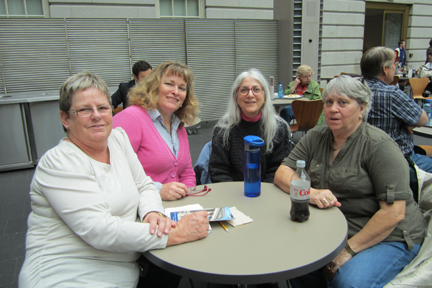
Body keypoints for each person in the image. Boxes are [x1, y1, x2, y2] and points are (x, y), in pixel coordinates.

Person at [18, 72, 209, 288]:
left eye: (102, 107)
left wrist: (152, 212)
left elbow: (144, 185)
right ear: (65, 119)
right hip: (68, 275)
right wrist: (177, 232)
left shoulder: (117, 139)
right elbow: (100, 230)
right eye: (84, 110)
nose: (96, 115)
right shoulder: (58, 162)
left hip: (124, 268)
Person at [274, 75, 425, 288]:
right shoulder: (316, 136)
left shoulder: (379, 146)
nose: (333, 109)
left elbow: (394, 213)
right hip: (337, 227)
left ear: (362, 108)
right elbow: (282, 172)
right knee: (297, 259)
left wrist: (348, 250)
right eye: (328, 102)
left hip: (389, 236)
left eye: (343, 102)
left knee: (348, 282)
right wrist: (313, 192)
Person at [113, 61, 197, 201]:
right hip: (142, 209)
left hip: (176, 209)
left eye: (182, 88)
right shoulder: (131, 118)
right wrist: (157, 190)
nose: (175, 91)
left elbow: (187, 172)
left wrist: (186, 198)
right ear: (154, 86)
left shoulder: (179, 125)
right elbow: (115, 172)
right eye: (169, 84)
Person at [209, 68, 291, 183]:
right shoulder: (223, 129)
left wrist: (260, 193)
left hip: (268, 193)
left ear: (265, 97)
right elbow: (218, 171)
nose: (250, 95)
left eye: (256, 89)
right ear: (236, 97)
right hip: (232, 194)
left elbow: (279, 169)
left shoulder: (279, 128)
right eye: (244, 90)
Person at [361, 46, 432, 173]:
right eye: (394, 64)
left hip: (360, 155)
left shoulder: (353, 89)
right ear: (385, 69)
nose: (396, 67)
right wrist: (407, 122)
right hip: (397, 158)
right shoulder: (391, 94)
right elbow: (422, 120)